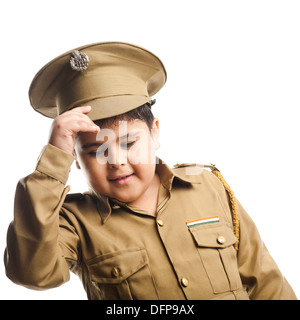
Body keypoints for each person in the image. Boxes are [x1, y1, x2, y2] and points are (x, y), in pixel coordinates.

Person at [4, 42, 296, 300]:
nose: (116, 161)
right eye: (95, 151)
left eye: (130, 142)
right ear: (75, 158)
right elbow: (32, 274)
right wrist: (52, 163)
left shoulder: (208, 186)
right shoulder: (72, 222)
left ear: (155, 133)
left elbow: (266, 282)